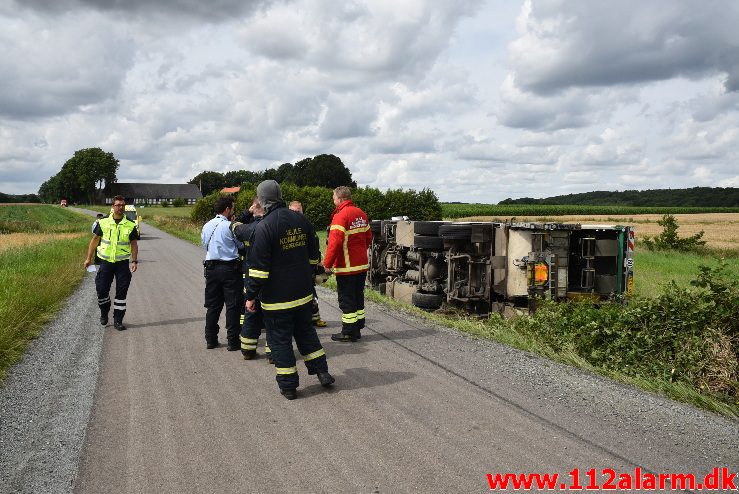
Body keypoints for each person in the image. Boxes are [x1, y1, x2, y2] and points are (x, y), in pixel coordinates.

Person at [245, 180, 334, 400]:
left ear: (263, 200)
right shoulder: (301, 220)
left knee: (280, 341)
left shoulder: (264, 227)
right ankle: (322, 372)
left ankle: (288, 386)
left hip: (276, 300)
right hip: (303, 294)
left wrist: (250, 296)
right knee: (307, 334)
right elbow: (314, 257)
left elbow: (258, 271)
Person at [323, 186, 372, 342]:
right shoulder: (361, 214)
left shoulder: (341, 216)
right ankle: (357, 327)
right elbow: (368, 238)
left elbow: (334, 243)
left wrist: (327, 263)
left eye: (334, 197)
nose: (333, 200)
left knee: (346, 299)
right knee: (358, 296)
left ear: (340, 198)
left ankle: (348, 332)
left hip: (347, 266)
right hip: (361, 265)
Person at [83, 196, 139, 331]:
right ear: (113, 206)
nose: (121, 207)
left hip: (122, 264)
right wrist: (88, 258)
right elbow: (94, 240)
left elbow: (134, 244)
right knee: (102, 290)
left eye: (123, 205)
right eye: (118, 205)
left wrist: (134, 260)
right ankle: (104, 312)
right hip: (106, 263)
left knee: (121, 294)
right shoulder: (103, 222)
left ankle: (118, 320)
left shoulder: (131, 224)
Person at [201, 196, 243, 350]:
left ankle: (210, 339)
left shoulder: (206, 226)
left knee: (213, 306)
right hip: (230, 269)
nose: (233, 210)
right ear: (227, 209)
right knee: (233, 305)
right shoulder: (229, 226)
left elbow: (204, 244)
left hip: (211, 269)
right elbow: (239, 245)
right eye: (232, 207)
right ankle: (233, 341)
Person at [231, 197, 271, 361]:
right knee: (271, 318)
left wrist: (248, 212)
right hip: (270, 279)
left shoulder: (247, 229)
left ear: (254, 208)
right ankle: (273, 353)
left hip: (250, 277)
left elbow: (234, 225)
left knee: (251, 313)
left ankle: (247, 350)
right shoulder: (270, 227)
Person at [288, 200, 328, 328]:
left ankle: (315, 318)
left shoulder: (307, 225)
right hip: (290, 267)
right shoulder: (285, 226)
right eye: (294, 212)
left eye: (298, 211)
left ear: (302, 211)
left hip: (306, 266)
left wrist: (317, 264)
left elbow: (314, 245)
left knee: (311, 293)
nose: (296, 214)